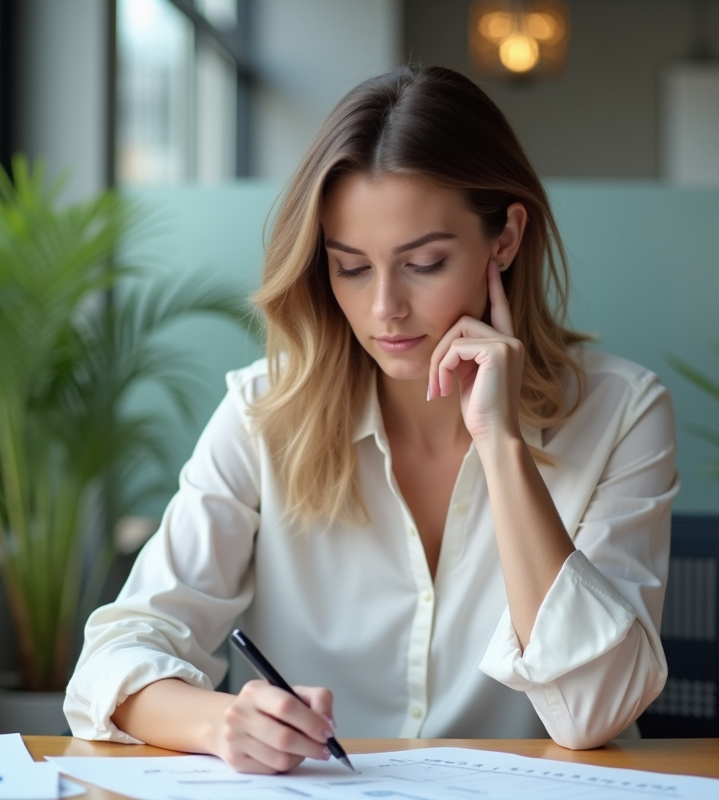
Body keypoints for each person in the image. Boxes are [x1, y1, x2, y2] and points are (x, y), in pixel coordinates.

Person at [64, 65, 678, 774]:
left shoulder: (623, 413)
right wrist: (223, 723)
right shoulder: (265, 413)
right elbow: (112, 661)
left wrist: (503, 446)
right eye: (351, 268)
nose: (385, 309)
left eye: (425, 263)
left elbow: (597, 711)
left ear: (505, 238)